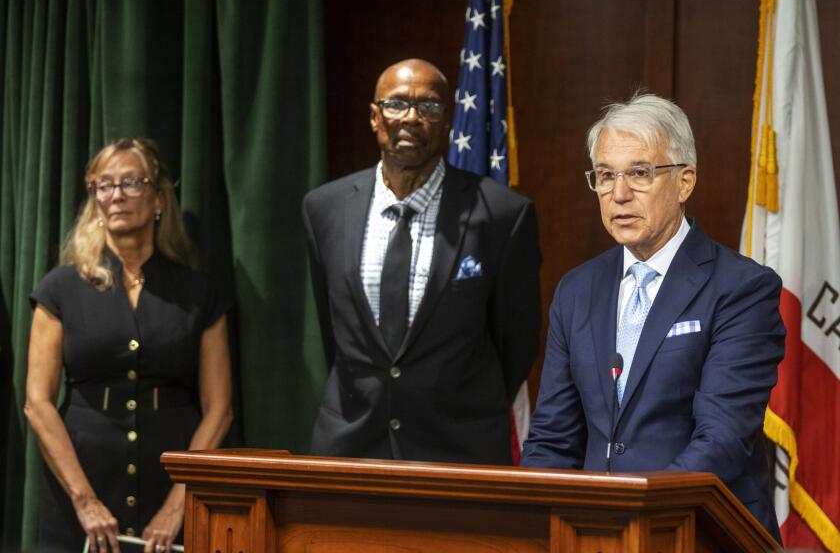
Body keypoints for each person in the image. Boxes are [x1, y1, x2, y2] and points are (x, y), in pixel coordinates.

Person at [521, 93, 785, 542]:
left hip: (701, 533)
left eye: (640, 173)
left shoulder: (742, 288)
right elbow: (552, 439)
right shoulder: (577, 289)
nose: (619, 194)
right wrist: (532, 529)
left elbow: (721, 439)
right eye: (605, 176)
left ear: (684, 182)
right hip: (591, 535)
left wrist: (638, 520)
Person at [302, 59, 541, 464]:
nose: (411, 118)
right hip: (351, 449)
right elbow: (336, 333)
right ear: (375, 117)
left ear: (447, 121)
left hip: (459, 451)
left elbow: (516, 342)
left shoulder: (502, 215)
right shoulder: (324, 208)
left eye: (429, 107)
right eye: (396, 104)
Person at [24, 138, 233, 553]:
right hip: (80, 481)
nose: (116, 195)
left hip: (170, 478)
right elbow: (37, 403)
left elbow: (220, 409)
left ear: (158, 199)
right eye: (104, 185)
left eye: (131, 182)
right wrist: (84, 501)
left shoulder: (198, 292)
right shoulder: (59, 289)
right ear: (95, 201)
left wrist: (179, 504)